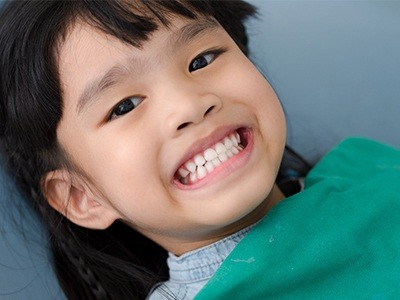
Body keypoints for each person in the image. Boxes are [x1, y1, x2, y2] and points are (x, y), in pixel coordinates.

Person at [0, 1, 398, 300]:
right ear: (81, 197)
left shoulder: (371, 171)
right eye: (124, 106)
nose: (190, 106)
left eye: (201, 59)